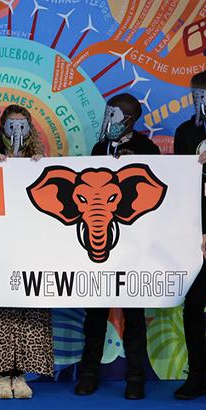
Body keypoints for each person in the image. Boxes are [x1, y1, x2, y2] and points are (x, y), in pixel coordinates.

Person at [75, 93, 160, 400]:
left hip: (133, 249)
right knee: (94, 314)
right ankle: (88, 373)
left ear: (129, 120)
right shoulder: (99, 148)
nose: (107, 120)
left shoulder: (146, 148)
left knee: (134, 316)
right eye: (107, 114)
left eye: (113, 115)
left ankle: (135, 377)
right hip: (99, 250)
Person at [0, 104, 52, 400]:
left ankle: (22, 373)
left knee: (27, 308)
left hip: (30, 247)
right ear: (1, 127)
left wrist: (40, 167)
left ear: (30, 128)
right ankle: (2, 374)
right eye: (11, 124)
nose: (16, 130)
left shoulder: (40, 163)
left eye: (22, 124)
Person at [173, 70, 206, 400]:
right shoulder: (185, 132)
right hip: (197, 235)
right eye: (196, 96)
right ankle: (198, 373)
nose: (201, 102)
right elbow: (183, 186)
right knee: (193, 304)